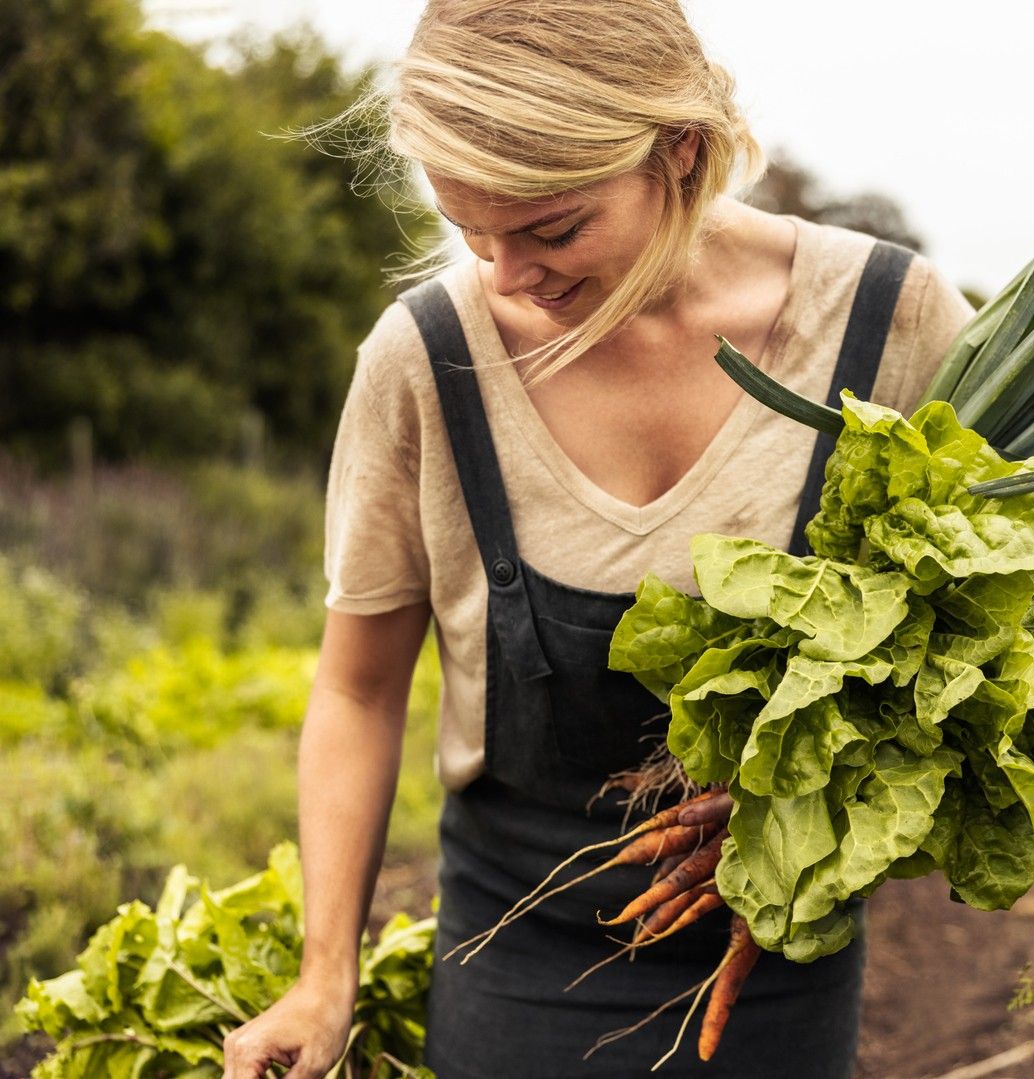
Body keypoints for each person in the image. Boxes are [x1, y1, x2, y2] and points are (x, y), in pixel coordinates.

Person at [221, 1, 972, 1075]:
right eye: (470, 232)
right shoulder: (425, 361)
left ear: (681, 148)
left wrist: (828, 799)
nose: (506, 274)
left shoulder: (889, 327)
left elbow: (980, 663)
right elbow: (356, 688)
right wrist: (322, 975)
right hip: (514, 949)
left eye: (552, 228)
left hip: (775, 968)